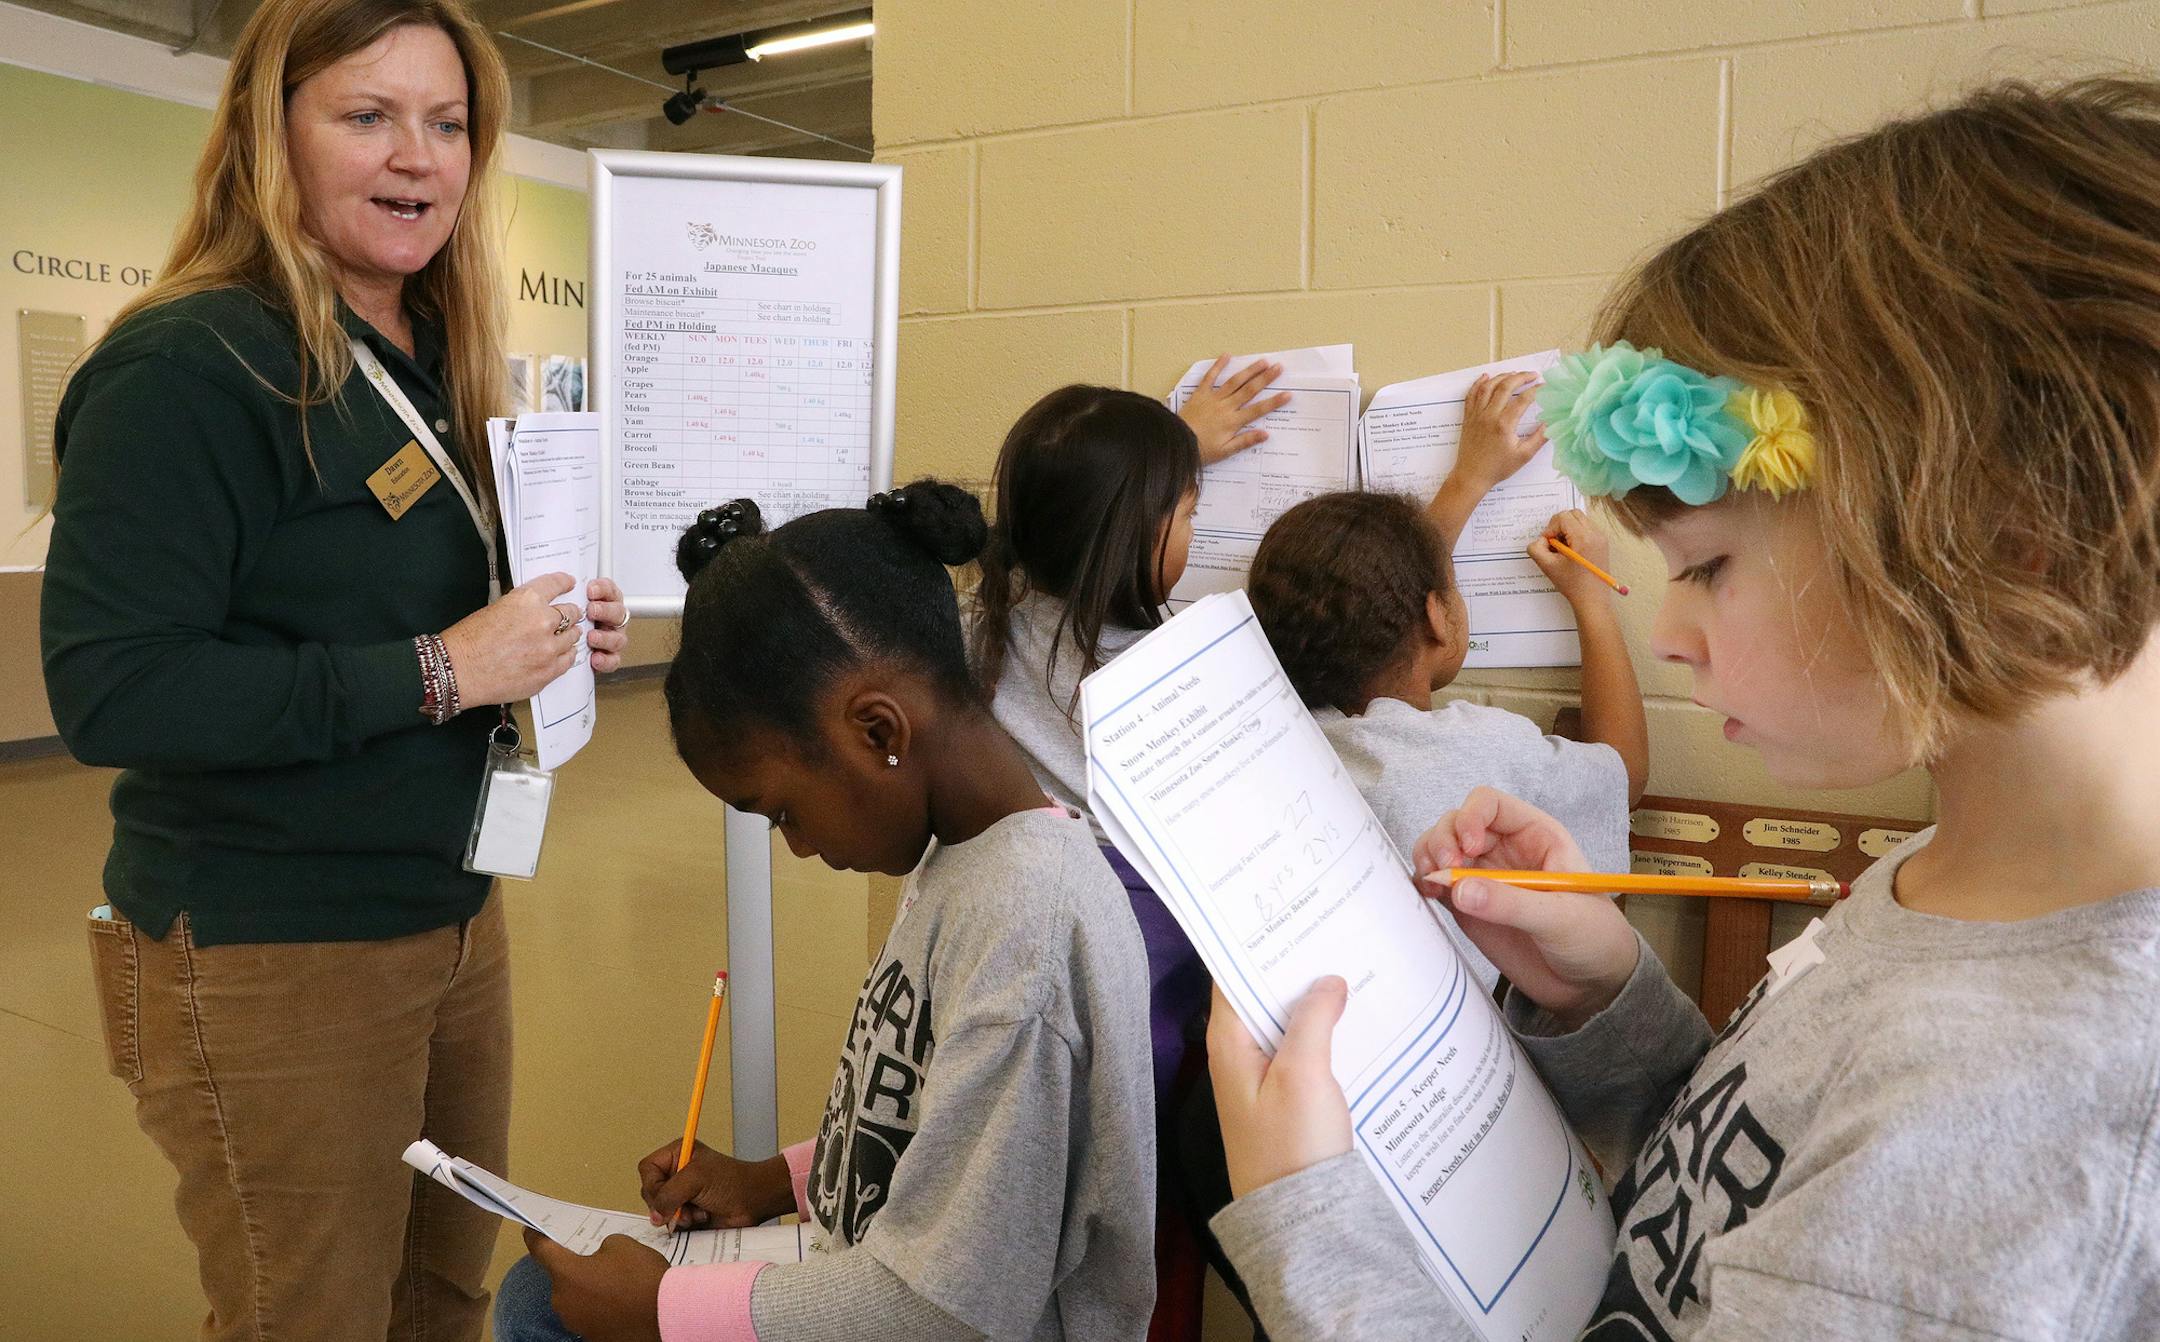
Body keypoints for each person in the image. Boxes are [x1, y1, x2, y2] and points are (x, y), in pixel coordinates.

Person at [1206, 78, 2160, 1339]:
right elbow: (1741, 1199)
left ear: (2008, 533)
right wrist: (1611, 1003)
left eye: (1708, 566)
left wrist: (1309, 1223)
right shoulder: (1959, 874)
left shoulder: (2029, 1126)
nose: (1668, 629)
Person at [41, 3, 627, 1337]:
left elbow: (399, 601)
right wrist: (438, 669)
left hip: (451, 911)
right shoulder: (188, 367)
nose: (415, 158)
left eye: (447, 122)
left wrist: (539, 637)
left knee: (439, 1296)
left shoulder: (423, 348)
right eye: (366, 117)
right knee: (308, 1311)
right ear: (272, 138)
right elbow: (113, 689)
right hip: (271, 947)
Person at [496, 482, 1157, 1342]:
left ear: (879, 732)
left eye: (781, 812)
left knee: (542, 1316)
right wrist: (777, 1181)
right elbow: (933, 1136)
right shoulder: (966, 860)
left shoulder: (1023, 933)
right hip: (868, 1265)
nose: (794, 846)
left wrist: (664, 1314)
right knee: (535, 1295)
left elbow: (946, 1312)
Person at [1246, 486, 1648, 988]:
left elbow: (1366, 583)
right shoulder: (1476, 746)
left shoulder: (1264, 738)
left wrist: (1471, 475)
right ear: (1437, 615)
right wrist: (1592, 602)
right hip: (1454, 1050)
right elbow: (1624, 774)